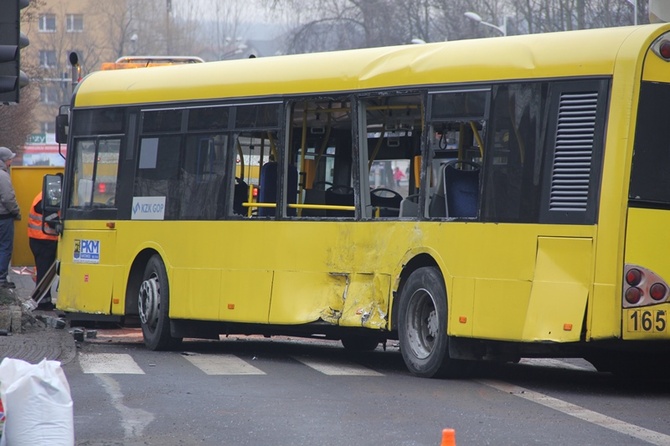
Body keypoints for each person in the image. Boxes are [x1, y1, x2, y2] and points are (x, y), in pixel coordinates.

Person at [28, 191, 58, 310]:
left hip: (41, 239)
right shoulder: (45, 199)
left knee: (45, 272)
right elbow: (51, 219)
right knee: (44, 272)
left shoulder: (43, 196)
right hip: (42, 240)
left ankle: (45, 300)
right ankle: (41, 301)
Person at [0, 147, 20, 289]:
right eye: (10, 159)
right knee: (5, 247)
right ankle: (1, 279)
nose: (11, 161)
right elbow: (8, 198)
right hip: (4, 216)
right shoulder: (3, 176)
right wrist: (16, 212)